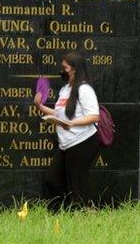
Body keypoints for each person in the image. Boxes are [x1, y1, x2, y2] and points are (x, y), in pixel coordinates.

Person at [34, 52, 101, 211]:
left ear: (75, 69)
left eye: (65, 68)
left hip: (83, 142)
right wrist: (40, 107)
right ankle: (68, 210)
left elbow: (94, 116)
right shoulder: (65, 89)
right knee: (52, 180)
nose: (62, 71)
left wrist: (72, 123)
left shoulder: (84, 89)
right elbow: (59, 113)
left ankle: (84, 214)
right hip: (66, 144)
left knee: (77, 184)